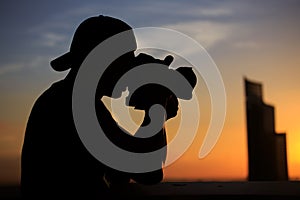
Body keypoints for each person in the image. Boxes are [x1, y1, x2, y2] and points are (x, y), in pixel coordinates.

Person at [21, 15, 174, 198]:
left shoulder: (65, 99)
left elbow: (119, 173)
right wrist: (157, 102)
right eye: (124, 61)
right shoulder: (76, 107)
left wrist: (157, 105)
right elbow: (148, 173)